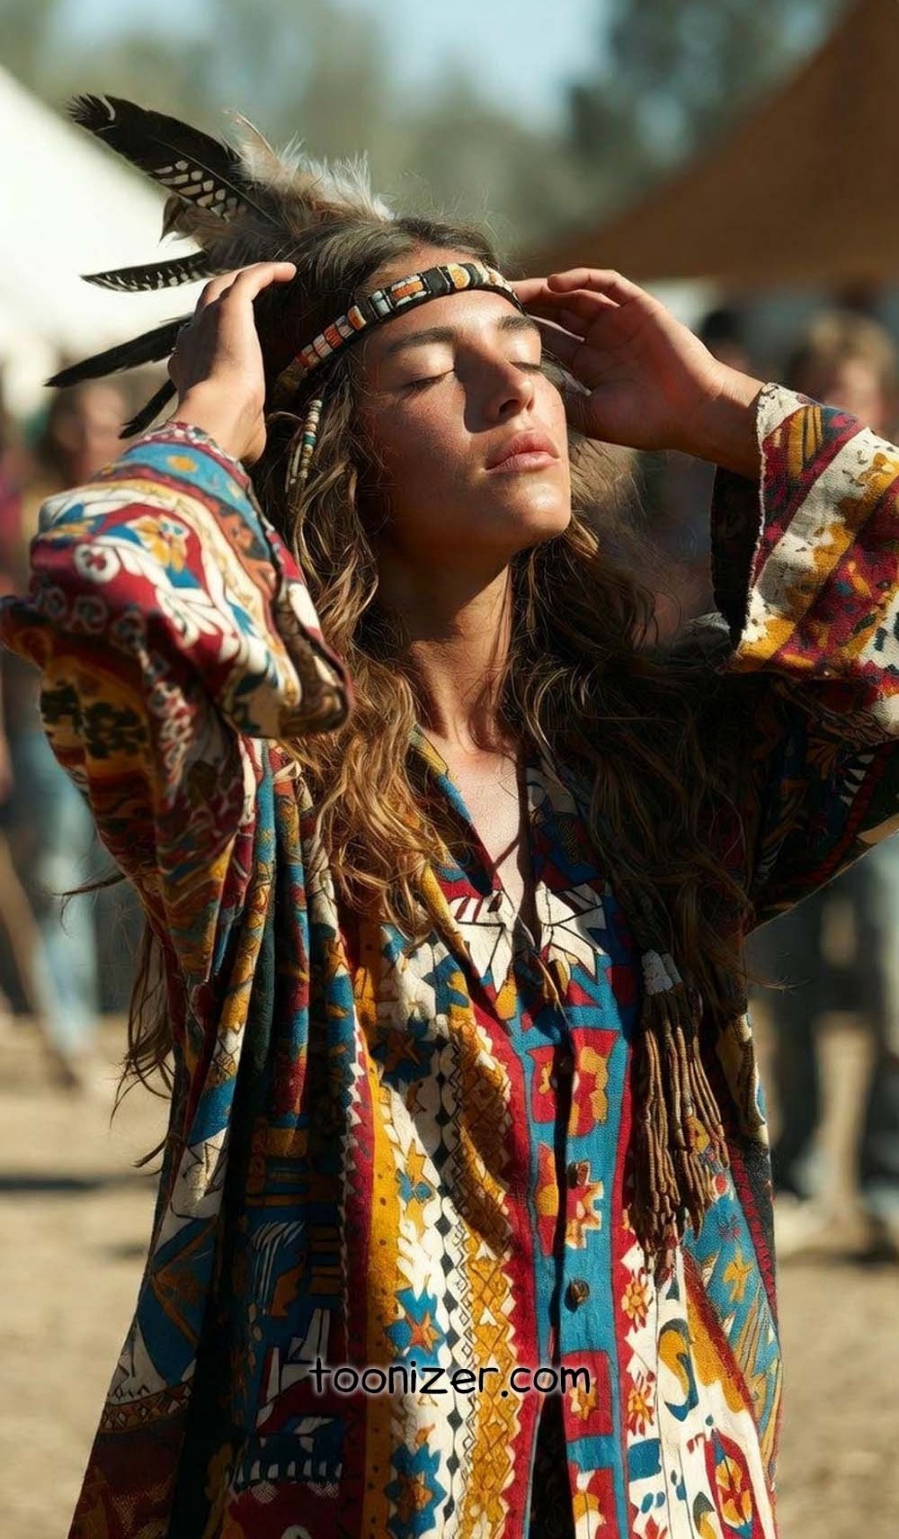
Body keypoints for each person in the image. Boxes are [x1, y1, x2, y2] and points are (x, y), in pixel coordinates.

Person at [5, 99, 899, 1539]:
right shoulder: (256, 794)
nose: (513, 396)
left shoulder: (661, 772)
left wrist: (722, 413)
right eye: (435, 373)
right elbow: (98, 594)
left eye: (526, 361)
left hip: (660, 1496)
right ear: (327, 449)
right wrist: (207, 422)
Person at [748, 310, 899, 1255]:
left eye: (849, 398)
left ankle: (886, 1180)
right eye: (816, 397)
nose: (834, 416)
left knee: (890, 984)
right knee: (789, 986)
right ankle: (799, 1176)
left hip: (890, 788)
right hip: (786, 781)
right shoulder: (760, 508)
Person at [0, 380, 129, 1085]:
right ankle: (72, 1034)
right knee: (55, 880)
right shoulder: (28, 511)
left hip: (134, 728)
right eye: (80, 422)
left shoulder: (139, 504)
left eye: (106, 423)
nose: (91, 438)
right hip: (43, 721)